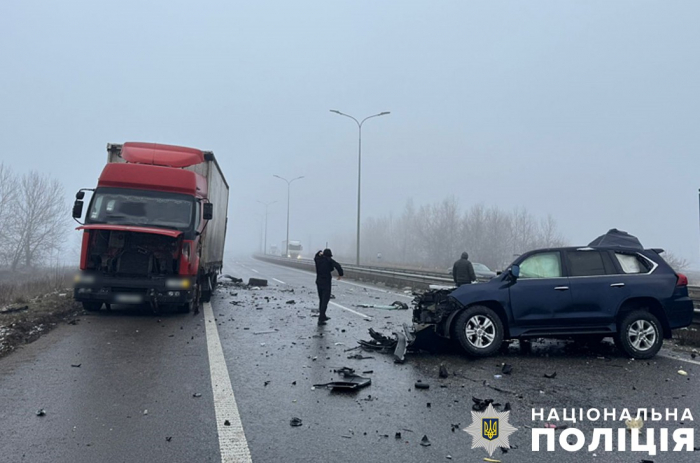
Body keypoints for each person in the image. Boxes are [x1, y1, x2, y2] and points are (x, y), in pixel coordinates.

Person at [314, 248, 343, 325]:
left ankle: (323, 316)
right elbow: (338, 266)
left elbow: (316, 256)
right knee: (325, 300)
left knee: (321, 299)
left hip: (319, 282)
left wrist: (319, 252)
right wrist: (340, 274)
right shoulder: (329, 260)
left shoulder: (318, 260)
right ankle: (321, 318)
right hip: (326, 283)